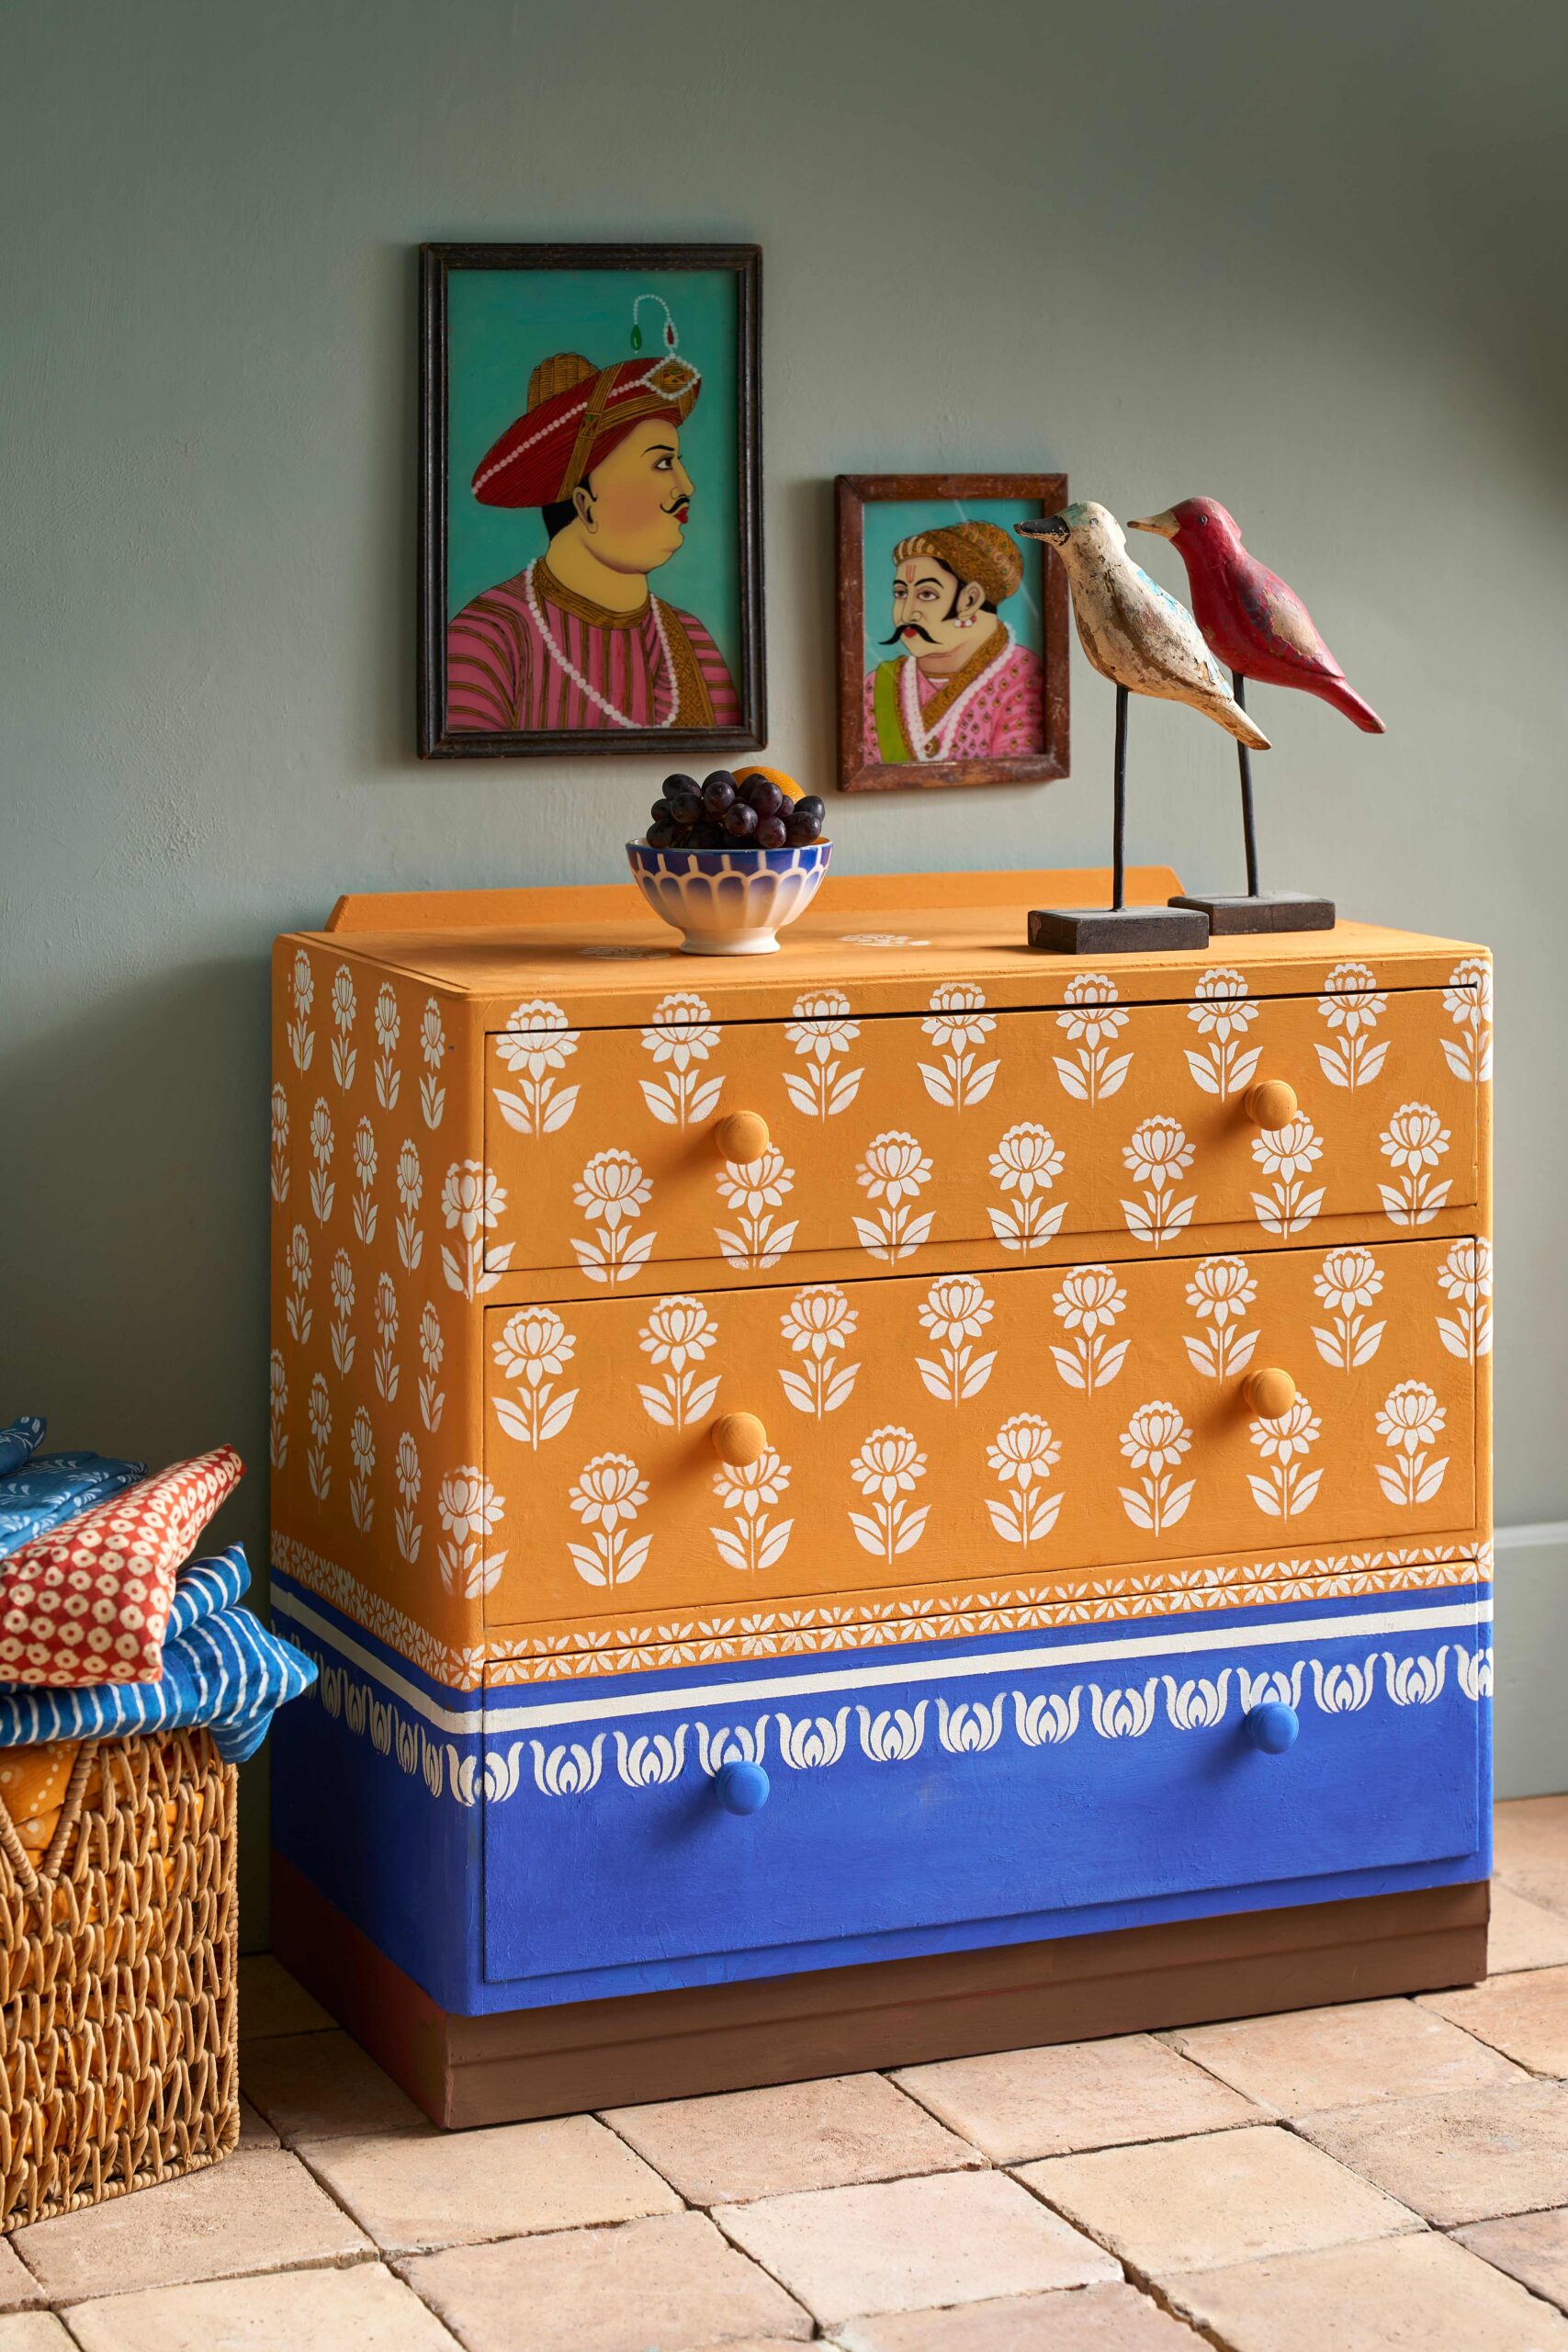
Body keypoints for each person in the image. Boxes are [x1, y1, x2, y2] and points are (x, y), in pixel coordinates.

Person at [447, 304, 739, 733]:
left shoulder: (693, 643)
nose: (687, 486)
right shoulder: (489, 639)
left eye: (679, 463)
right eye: (662, 465)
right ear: (585, 503)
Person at [863, 519, 1044, 763]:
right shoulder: (878, 685)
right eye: (900, 594)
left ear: (970, 600)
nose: (906, 614)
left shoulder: (1022, 677)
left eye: (926, 594)